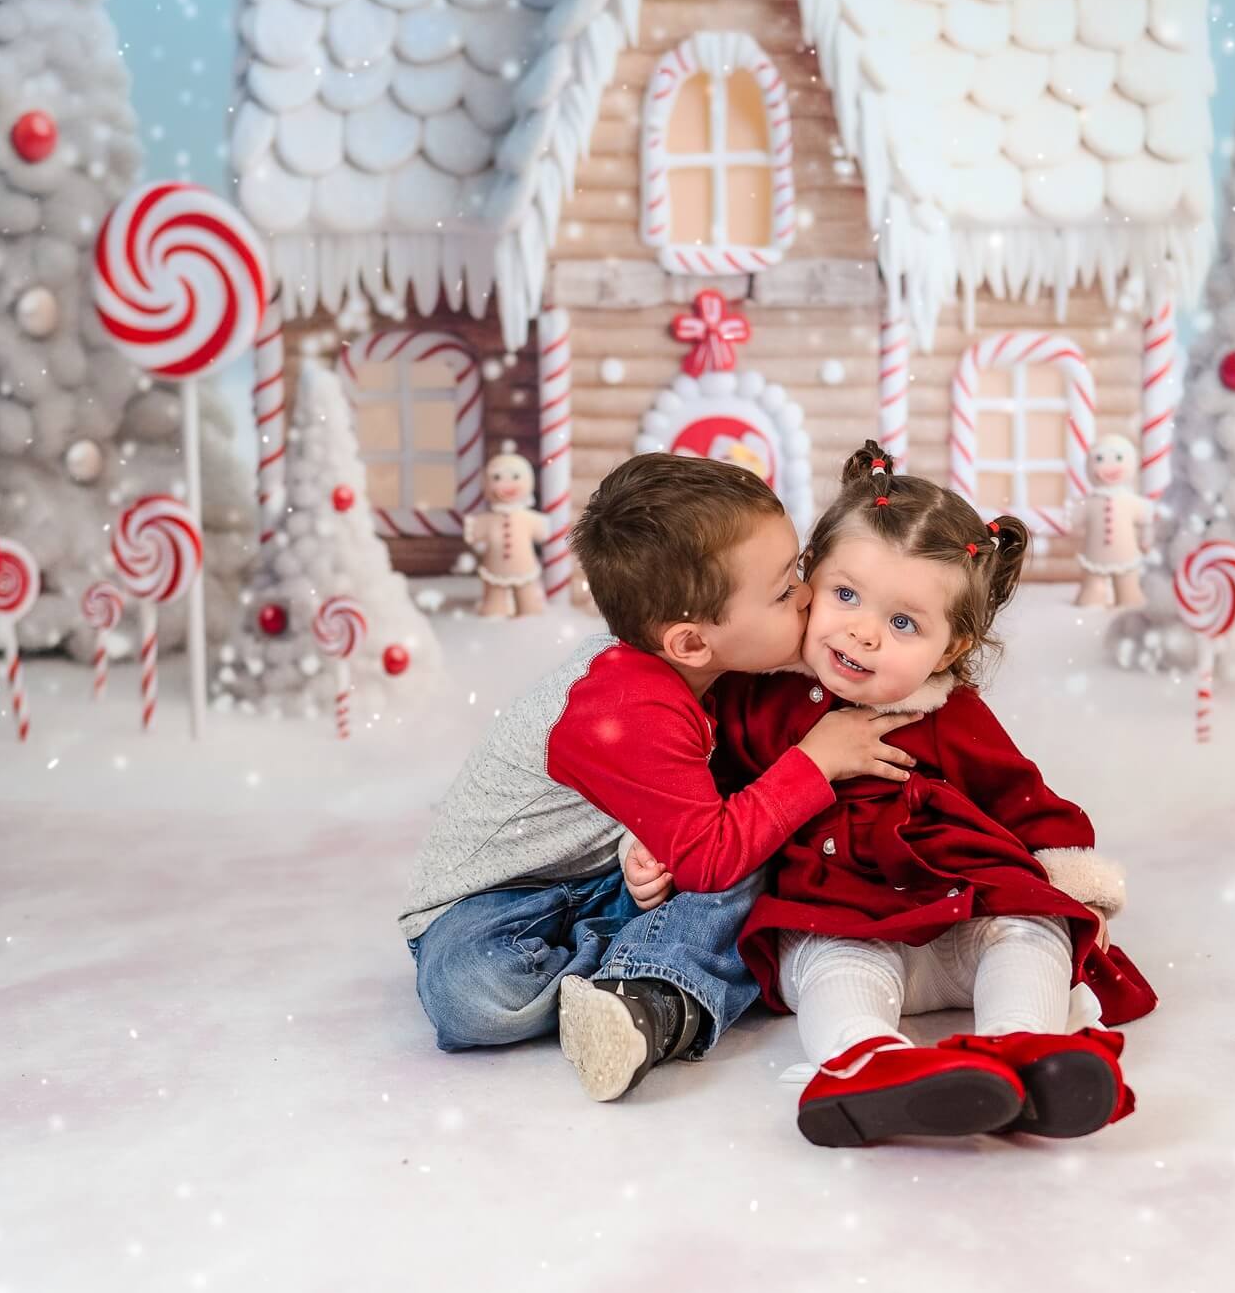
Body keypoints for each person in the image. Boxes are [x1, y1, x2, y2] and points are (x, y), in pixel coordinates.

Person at [635, 440, 1157, 1146]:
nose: (863, 632)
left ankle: (1025, 1050)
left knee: (1032, 930)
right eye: (846, 595)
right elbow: (698, 789)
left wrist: (1077, 890)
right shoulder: (751, 699)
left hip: (963, 908)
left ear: (947, 649)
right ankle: (869, 1062)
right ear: (807, 579)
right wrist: (652, 845)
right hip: (840, 913)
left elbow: (1024, 798)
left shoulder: (947, 712)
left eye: (903, 622)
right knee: (824, 966)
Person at [399, 453, 917, 1102]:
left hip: (602, 875)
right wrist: (815, 760)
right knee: (474, 997)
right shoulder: (623, 706)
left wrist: (636, 852)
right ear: (692, 643)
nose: (809, 595)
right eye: (785, 590)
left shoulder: (700, 667)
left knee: (757, 851)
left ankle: (635, 979)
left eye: (801, 573)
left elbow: (648, 801)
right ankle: (650, 972)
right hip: (490, 904)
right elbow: (706, 856)